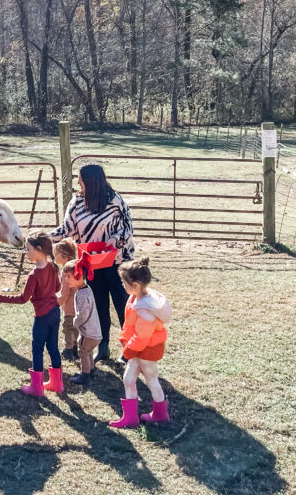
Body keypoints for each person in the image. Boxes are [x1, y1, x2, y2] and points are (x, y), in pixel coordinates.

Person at [51, 163, 134, 362]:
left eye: (80, 178)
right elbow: (67, 230)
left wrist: (114, 241)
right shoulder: (77, 203)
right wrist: (45, 238)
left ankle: (129, 349)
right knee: (98, 306)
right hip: (91, 263)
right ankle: (103, 347)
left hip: (117, 262)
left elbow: (127, 230)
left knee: (123, 305)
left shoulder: (115, 202)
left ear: (91, 181)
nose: (78, 182)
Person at [0, 232, 63, 397]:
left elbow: (23, 299)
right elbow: (57, 288)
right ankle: (57, 383)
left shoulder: (33, 275)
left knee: (37, 349)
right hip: (55, 313)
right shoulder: (53, 267)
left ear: (38, 249)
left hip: (42, 317)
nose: (26, 252)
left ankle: (37, 388)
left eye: (28, 249)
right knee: (53, 347)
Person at [109, 257, 172, 429]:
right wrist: (126, 340)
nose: (122, 285)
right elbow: (131, 326)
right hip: (140, 348)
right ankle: (137, 417)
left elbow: (142, 336)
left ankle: (157, 414)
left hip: (145, 349)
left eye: (124, 282)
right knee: (131, 379)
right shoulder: (136, 298)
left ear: (135, 284)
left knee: (149, 379)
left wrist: (127, 351)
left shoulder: (145, 309)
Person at [61, 256, 101, 386]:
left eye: (68, 276)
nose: (65, 280)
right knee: (88, 351)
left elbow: (82, 314)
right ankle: (91, 370)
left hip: (89, 333)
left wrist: (75, 323)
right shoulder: (86, 290)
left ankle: (85, 375)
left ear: (78, 276)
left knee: (83, 351)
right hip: (95, 331)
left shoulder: (82, 294)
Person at [53, 239, 78, 361]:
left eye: (56, 254)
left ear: (64, 256)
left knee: (68, 327)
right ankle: (75, 348)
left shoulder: (65, 271)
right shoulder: (76, 267)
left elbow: (65, 291)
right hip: (79, 305)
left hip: (70, 305)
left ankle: (68, 349)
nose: (54, 257)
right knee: (76, 327)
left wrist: (57, 302)